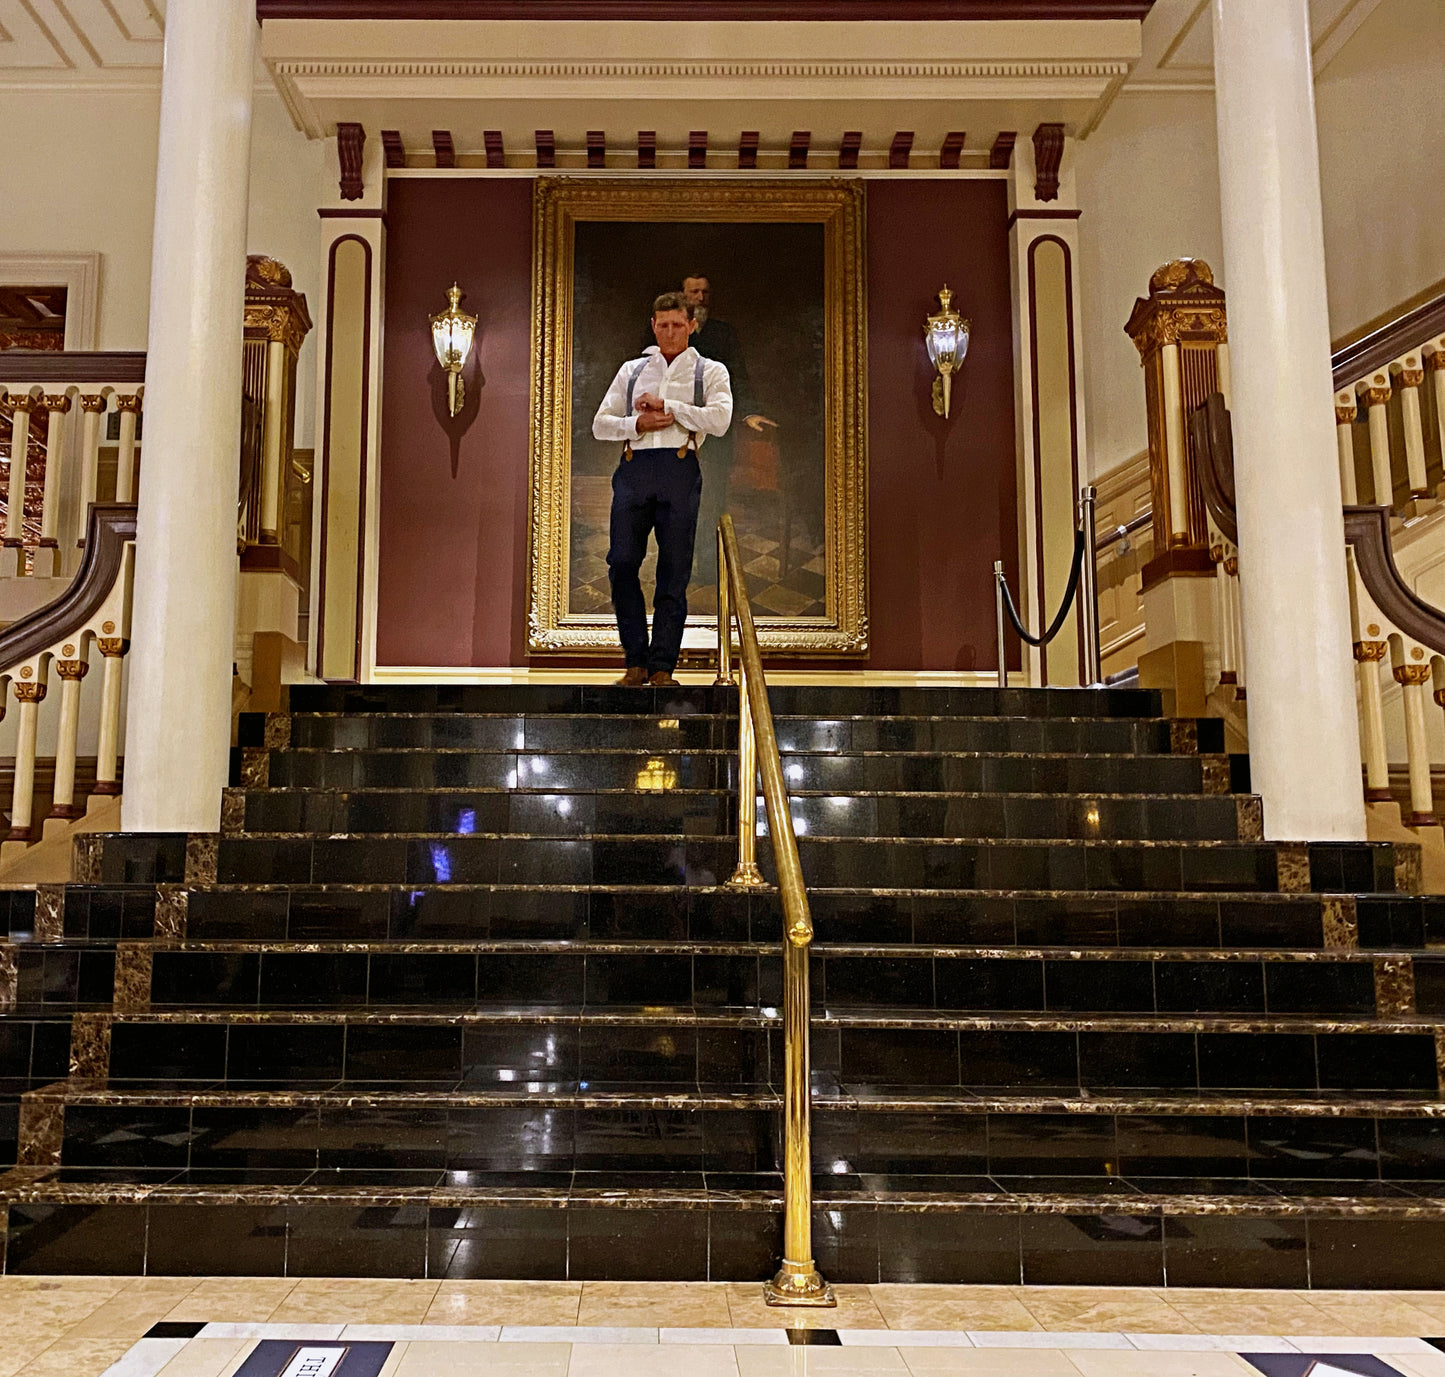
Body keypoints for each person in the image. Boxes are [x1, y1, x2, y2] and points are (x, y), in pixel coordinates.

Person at [593, 291, 733, 687]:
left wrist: (670, 407)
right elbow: (600, 424)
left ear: (692, 325)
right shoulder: (632, 370)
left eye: (678, 324)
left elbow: (720, 420)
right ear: (654, 325)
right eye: (663, 324)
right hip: (635, 470)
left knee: (673, 571)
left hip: (680, 468)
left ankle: (662, 667)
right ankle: (635, 659)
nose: (670, 332)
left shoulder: (711, 372)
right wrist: (636, 425)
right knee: (621, 562)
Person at [642, 275, 776, 584]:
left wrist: (749, 412)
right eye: (693, 292)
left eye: (705, 292)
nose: (700, 298)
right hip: (673, 432)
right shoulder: (666, 334)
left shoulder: (723, 333)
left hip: (714, 436)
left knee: (712, 500)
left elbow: (737, 378)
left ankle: (706, 569)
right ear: (683, 296)